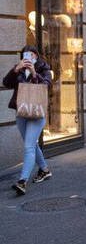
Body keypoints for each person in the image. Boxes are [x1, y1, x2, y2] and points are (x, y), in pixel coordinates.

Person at [4, 45, 52, 196]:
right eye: (26, 54)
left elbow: (47, 86)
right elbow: (6, 83)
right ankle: (44, 170)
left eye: (32, 55)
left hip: (37, 113)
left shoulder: (44, 68)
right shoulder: (18, 68)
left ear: (36, 56)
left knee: (28, 146)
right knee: (31, 144)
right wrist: (16, 70)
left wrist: (33, 73)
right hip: (22, 112)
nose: (29, 57)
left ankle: (22, 181)